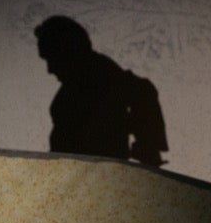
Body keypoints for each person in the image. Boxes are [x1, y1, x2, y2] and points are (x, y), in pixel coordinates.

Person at [34, 15, 168, 165]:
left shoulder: (101, 74)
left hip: (103, 177)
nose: (50, 69)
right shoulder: (66, 97)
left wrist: (148, 146)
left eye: (52, 59)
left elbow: (143, 91)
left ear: (68, 52)